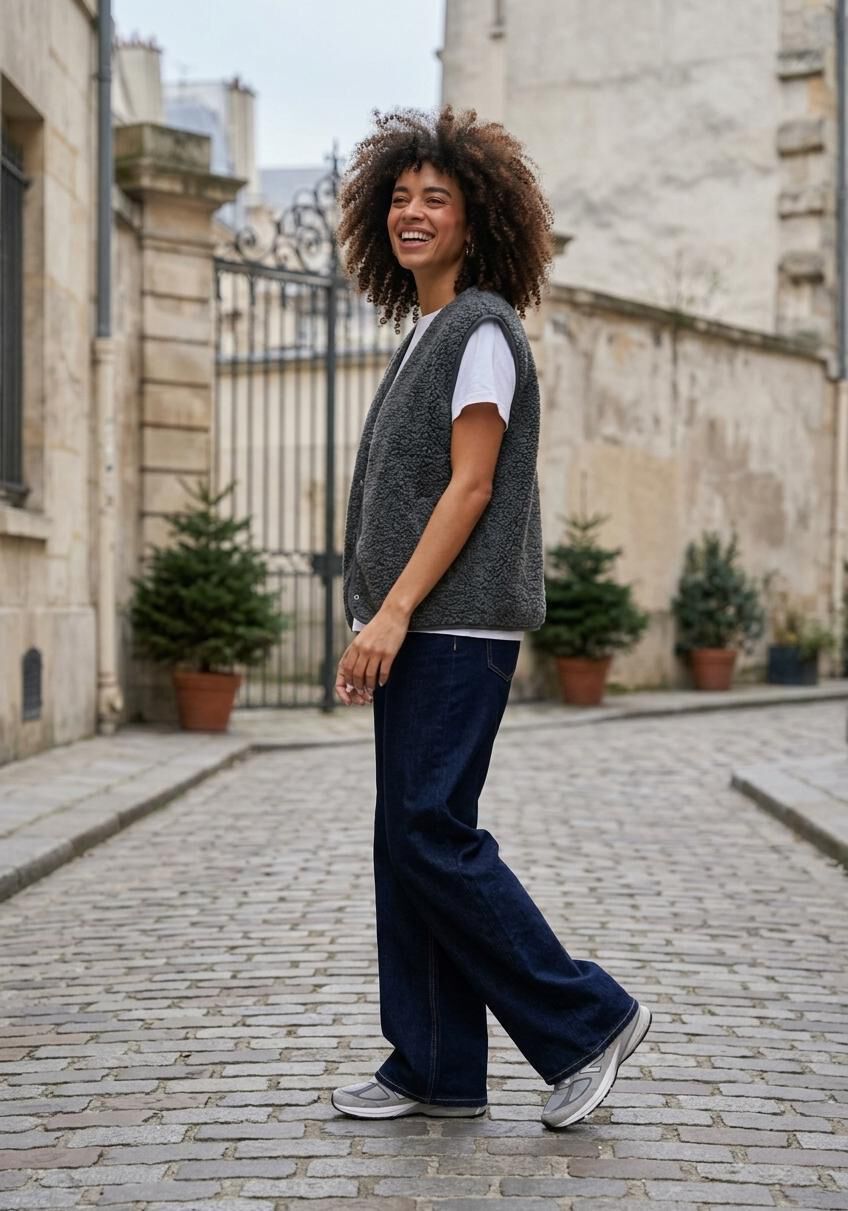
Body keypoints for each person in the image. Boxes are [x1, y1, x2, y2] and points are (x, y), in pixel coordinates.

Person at [330, 106, 650, 1130]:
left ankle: (586, 1020)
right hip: (422, 626)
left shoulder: (480, 329)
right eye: (399, 197)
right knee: (407, 839)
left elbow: (470, 487)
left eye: (436, 198)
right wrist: (382, 614)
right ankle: (434, 1065)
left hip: (453, 628)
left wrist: (391, 612)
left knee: (430, 833)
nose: (412, 212)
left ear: (477, 220)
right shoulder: (427, 332)